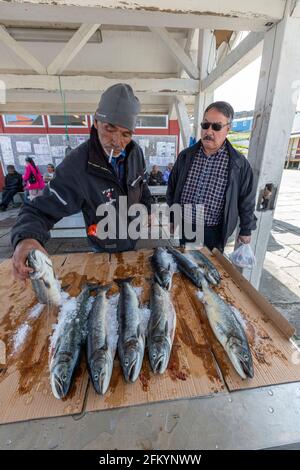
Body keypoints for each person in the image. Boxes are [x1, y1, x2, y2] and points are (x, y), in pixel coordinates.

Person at [11, 83, 152, 280]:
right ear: (96, 122)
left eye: (125, 133)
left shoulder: (135, 152)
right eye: (109, 128)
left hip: (133, 240)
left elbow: (142, 186)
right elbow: (38, 209)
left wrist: (147, 210)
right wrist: (26, 238)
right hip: (103, 247)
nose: (116, 141)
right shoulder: (77, 164)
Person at [167, 101, 257, 252]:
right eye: (205, 125)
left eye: (216, 127)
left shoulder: (239, 164)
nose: (209, 131)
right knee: (188, 268)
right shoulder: (186, 156)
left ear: (228, 129)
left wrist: (246, 229)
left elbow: (246, 199)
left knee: (211, 271)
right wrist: (172, 217)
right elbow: (172, 187)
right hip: (186, 225)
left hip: (214, 231)